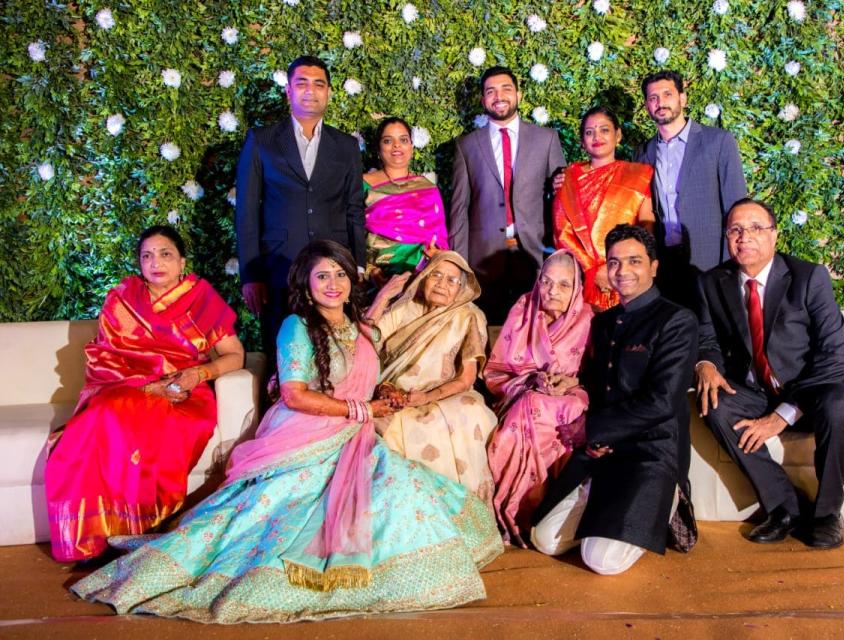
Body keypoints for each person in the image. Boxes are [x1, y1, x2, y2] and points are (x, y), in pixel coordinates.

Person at [71, 240, 502, 623]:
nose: (332, 283)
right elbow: (294, 396)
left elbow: (365, 344)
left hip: (355, 434)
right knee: (283, 516)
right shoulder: (297, 326)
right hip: (307, 434)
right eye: (322, 275)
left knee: (404, 489)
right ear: (306, 283)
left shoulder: (357, 327)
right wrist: (361, 408)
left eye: (339, 274)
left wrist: (386, 297)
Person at [45, 225, 244, 563]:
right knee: (102, 416)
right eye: (147, 256)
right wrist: (142, 385)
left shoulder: (202, 298)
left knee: (145, 419)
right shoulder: (122, 297)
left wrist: (198, 373)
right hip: (126, 388)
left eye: (165, 254)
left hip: (182, 392)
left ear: (182, 261)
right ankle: (97, 538)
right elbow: (106, 360)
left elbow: (235, 354)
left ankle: (139, 530)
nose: (156, 262)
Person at [695, 198, 844, 549]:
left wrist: (781, 416)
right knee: (713, 401)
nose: (745, 237)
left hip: (812, 391)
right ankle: (784, 507)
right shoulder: (713, 282)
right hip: (756, 392)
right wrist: (706, 364)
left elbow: (836, 355)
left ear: (774, 236)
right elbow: (705, 337)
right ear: (727, 238)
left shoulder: (808, 277)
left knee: (839, 404)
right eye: (736, 230)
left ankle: (826, 513)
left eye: (756, 228)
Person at [530, 224, 699, 575]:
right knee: (544, 539)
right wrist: (571, 385)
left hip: (651, 453)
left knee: (600, 561)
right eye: (614, 262)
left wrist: (590, 429)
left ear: (654, 266)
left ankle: (665, 503)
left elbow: (662, 402)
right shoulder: (605, 322)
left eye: (634, 261)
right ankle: (601, 504)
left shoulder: (677, 320)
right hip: (603, 452)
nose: (622, 272)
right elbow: (597, 383)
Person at [235, 55, 365, 358]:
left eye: (319, 84)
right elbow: (247, 211)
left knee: (335, 352)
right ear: (288, 91)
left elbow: (354, 208)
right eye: (302, 83)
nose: (311, 90)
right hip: (279, 264)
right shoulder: (262, 140)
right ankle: (280, 404)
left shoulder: (345, 145)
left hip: (334, 267)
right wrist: (251, 275)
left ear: (328, 92)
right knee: (282, 348)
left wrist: (357, 264)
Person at [366, 251, 498, 501]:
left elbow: (466, 379)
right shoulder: (404, 306)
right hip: (394, 393)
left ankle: (460, 509)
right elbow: (365, 342)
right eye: (436, 275)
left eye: (451, 280)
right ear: (424, 277)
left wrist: (426, 397)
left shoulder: (468, 315)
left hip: (445, 393)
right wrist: (382, 298)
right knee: (381, 427)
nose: (441, 284)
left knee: (469, 412)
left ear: (461, 287)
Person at [485, 250, 594, 546]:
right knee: (529, 406)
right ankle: (518, 511)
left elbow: (598, 378)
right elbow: (496, 371)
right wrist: (533, 379)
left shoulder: (589, 319)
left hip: (571, 397)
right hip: (523, 396)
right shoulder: (524, 309)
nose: (552, 291)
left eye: (563, 285)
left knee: (563, 408)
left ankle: (549, 509)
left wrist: (571, 382)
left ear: (577, 289)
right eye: (546, 282)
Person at [449, 65, 566, 324]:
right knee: (488, 330)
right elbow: (459, 209)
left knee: (534, 330)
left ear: (519, 94)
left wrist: (560, 253)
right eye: (491, 91)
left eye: (506, 89)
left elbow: (562, 201)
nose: (499, 96)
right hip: (483, 260)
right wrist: (459, 265)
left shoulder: (546, 139)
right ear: (483, 100)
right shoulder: (466, 146)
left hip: (534, 252)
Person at [634, 70, 748, 308]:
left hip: (710, 260)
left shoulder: (717, 141)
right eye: (653, 98)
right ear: (646, 105)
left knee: (714, 334)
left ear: (682, 99)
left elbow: (737, 208)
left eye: (667, 94)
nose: (660, 102)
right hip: (665, 262)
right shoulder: (643, 152)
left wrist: (733, 263)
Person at [554, 106, 655, 310]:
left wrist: (617, 265)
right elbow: (562, 233)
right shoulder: (569, 178)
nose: (597, 137)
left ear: (618, 135)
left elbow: (646, 230)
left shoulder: (638, 175)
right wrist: (592, 269)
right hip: (580, 277)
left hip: (627, 274)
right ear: (582, 142)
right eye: (589, 132)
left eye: (604, 130)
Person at [363, 117, 447, 284]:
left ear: (411, 147)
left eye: (403, 140)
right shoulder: (363, 184)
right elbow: (350, 232)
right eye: (388, 141)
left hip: (423, 276)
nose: (397, 145)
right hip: (377, 277)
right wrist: (369, 269)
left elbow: (440, 239)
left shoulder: (427, 188)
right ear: (379, 149)